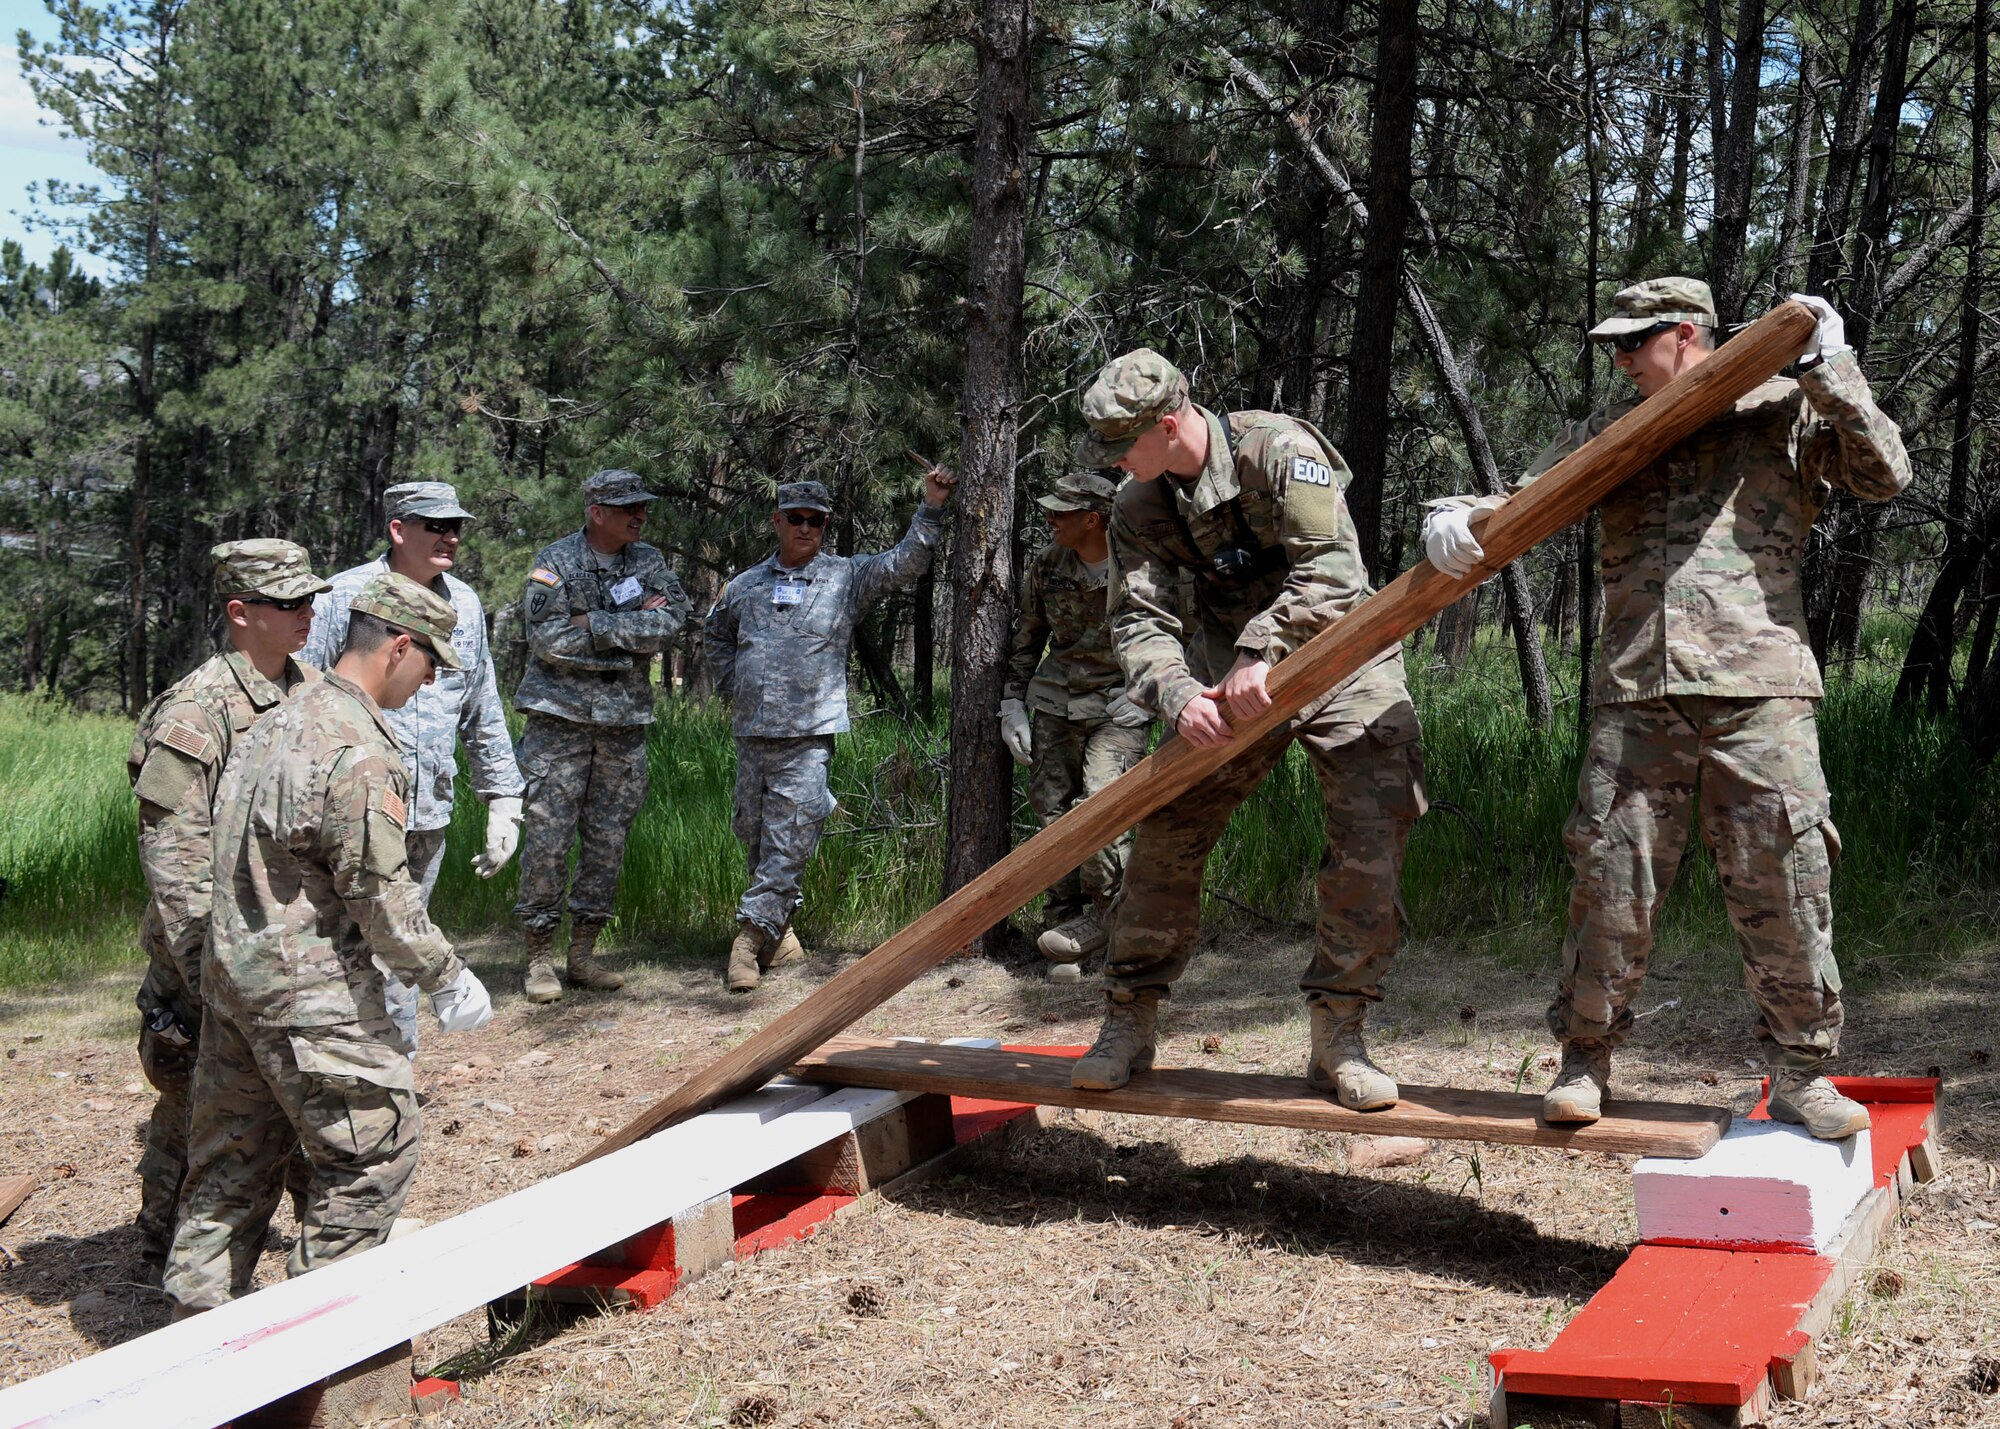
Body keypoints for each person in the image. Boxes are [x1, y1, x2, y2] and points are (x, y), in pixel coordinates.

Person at [1421, 278, 1911, 1139]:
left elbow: (1884, 472)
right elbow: (1531, 503)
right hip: (1638, 692)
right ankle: (1584, 1060)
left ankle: (1802, 1072)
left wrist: (1833, 367)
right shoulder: (1619, 431)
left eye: (1628, 342)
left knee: (1788, 883)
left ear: (1685, 334)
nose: (1615, 359)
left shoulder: (1787, 408)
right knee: (1610, 882)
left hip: (1761, 692)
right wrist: (1461, 515)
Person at [1071, 348, 1426, 1105]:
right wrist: (1176, 694)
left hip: (1341, 657)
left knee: (1370, 834)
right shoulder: (1138, 507)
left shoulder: (1279, 450)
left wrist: (1263, 646)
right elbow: (1138, 619)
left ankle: (1340, 1035)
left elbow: (1332, 569)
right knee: (1166, 829)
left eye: (1121, 446)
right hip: (1230, 686)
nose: (1113, 465)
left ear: (1169, 424)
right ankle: (1128, 1018)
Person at [163, 574, 491, 1323]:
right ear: (399, 646)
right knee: (375, 1152)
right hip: (309, 993)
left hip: (235, 983)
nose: (431, 681)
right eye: (431, 664)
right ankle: (316, 1343)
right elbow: (379, 891)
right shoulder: (356, 745)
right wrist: (445, 976)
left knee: (231, 1169)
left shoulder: (274, 717)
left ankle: (191, 1337)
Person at [126, 540, 329, 1273]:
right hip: (211, 961)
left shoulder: (312, 691)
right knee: (197, 1118)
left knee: (310, 1106)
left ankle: (324, 1251)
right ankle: (162, 1252)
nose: (308, 614)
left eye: (312, 600)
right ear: (240, 614)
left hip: (292, 953)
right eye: (289, 603)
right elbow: (175, 865)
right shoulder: (197, 713)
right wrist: (213, 974)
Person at [703, 466, 957, 993]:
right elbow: (717, 635)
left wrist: (930, 507)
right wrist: (736, 685)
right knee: (753, 834)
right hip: (753, 732)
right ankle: (783, 936)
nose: (805, 529)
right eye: (795, 519)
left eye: (815, 522)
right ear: (777, 521)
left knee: (792, 836)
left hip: (809, 733)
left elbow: (904, 563)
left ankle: (748, 941)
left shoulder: (844, 577)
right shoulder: (746, 585)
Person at [305, 481, 524, 1047]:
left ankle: (395, 1063)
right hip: (352, 805)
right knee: (344, 942)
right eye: (436, 525)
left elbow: (480, 701)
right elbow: (304, 692)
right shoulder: (344, 595)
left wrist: (503, 797)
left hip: (427, 807)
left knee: (407, 935)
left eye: (457, 527)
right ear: (398, 530)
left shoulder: (466, 604)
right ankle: (349, 1072)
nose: (451, 537)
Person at [513, 469, 691, 1002]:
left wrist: (595, 622)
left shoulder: (650, 561)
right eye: (629, 507)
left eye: (644, 506)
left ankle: (583, 956)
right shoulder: (556, 562)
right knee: (547, 841)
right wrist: (630, 623)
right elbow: (548, 642)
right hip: (558, 723)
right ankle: (539, 958)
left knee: (608, 843)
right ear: (597, 512)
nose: (641, 515)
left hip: (623, 727)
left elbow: (672, 623)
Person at [1000, 470, 1153, 982]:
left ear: (1092, 518)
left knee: (1103, 811)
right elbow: (1029, 635)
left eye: (1060, 512)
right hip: (1057, 702)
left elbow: (1181, 633)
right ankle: (1063, 935)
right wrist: (1011, 704)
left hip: (1118, 706)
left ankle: (1111, 925)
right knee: (1053, 816)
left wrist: (1152, 695)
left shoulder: (1142, 566)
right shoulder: (1048, 564)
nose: (1049, 519)